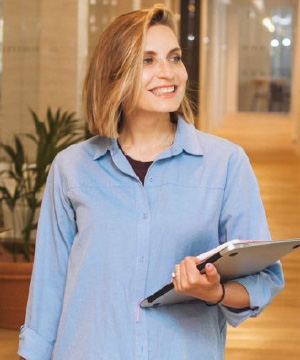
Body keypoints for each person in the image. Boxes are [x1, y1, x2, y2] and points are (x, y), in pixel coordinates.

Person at [18, 5, 284, 360]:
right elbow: (47, 292)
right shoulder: (72, 169)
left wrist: (214, 291)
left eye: (174, 58)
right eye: (147, 61)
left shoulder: (225, 164)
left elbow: (263, 280)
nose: (168, 72)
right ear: (115, 73)